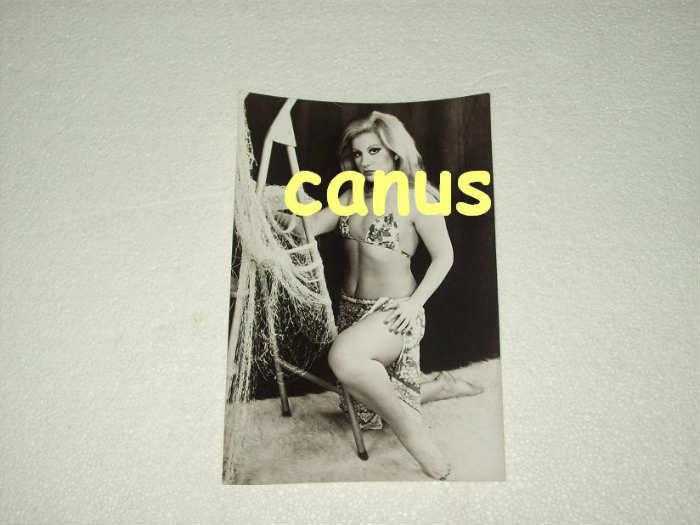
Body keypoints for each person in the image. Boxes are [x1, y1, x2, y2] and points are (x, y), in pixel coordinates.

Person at [293, 110, 476, 480]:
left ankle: (419, 441)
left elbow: (444, 256)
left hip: (395, 312)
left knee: (344, 357)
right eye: (358, 154)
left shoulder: (417, 197)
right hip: (352, 312)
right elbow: (307, 228)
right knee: (368, 402)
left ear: (394, 152)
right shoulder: (351, 195)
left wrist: (414, 304)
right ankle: (438, 386)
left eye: (374, 151)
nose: (365, 162)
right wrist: (277, 203)